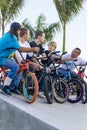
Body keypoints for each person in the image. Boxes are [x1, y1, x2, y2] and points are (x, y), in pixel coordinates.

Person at [0, 22, 39, 95]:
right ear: (18, 30)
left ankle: (13, 87)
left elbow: (14, 51)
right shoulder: (12, 38)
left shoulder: (9, 35)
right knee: (15, 67)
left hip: (4, 57)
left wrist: (18, 62)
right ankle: (5, 86)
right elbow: (20, 49)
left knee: (20, 66)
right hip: (1, 58)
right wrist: (33, 49)